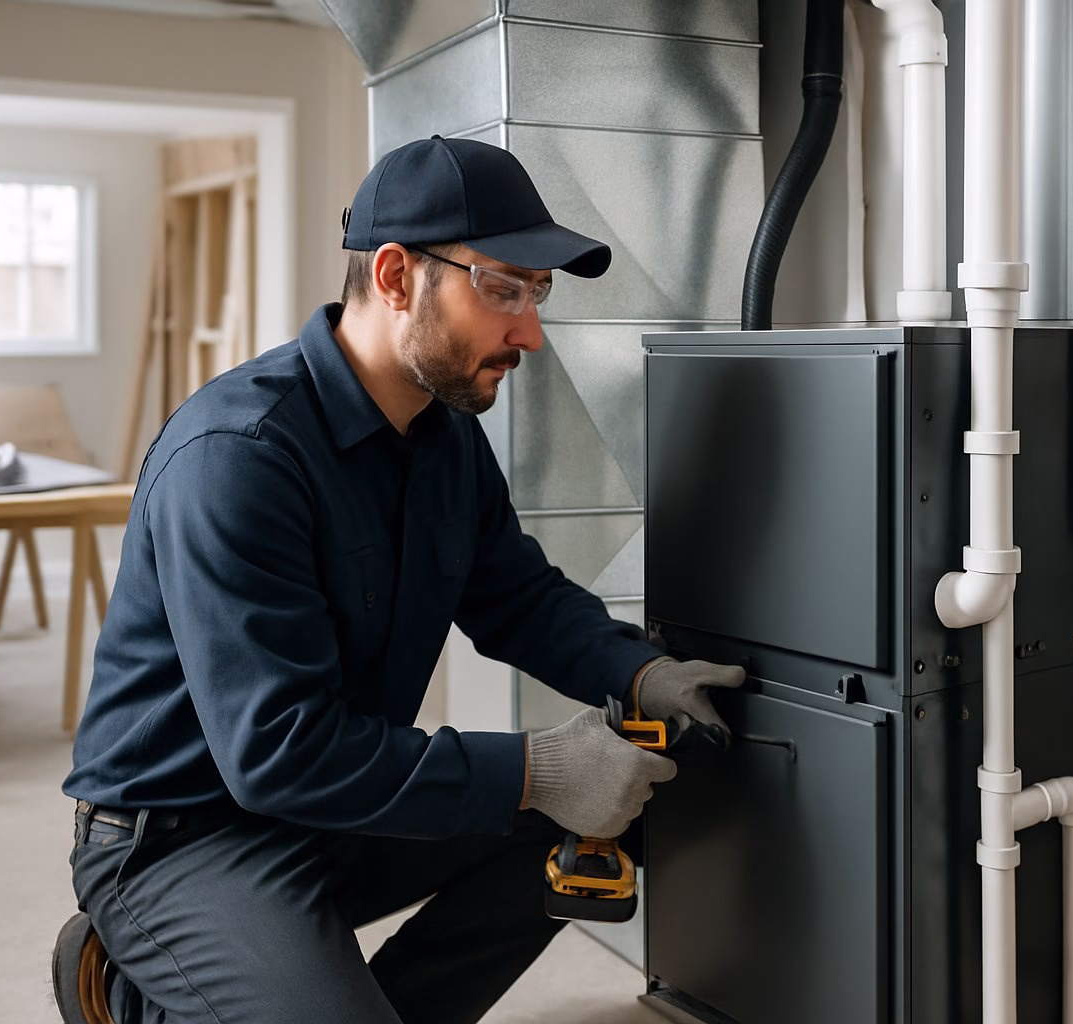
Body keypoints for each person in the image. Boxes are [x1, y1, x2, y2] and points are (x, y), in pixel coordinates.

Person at [52, 135, 746, 1024]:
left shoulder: (443, 433)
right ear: (394, 277)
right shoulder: (238, 457)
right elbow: (278, 750)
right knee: (547, 788)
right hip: (184, 836)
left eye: (538, 295)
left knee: (623, 801)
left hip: (334, 806)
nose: (529, 332)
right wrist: (537, 767)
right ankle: (125, 979)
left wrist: (641, 674)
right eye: (502, 288)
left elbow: (517, 598)